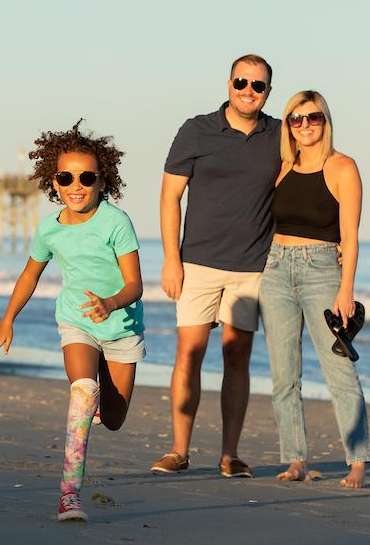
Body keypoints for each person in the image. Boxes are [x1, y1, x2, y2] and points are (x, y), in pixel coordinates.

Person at [0, 121, 144, 523]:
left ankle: (96, 407)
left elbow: (135, 285)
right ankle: (69, 494)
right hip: (77, 322)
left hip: (121, 327)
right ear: (52, 180)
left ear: (102, 180)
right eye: (66, 177)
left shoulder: (116, 222)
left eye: (86, 177)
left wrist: (110, 303)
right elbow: (29, 275)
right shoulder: (49, 229)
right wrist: (7, 321)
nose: (76, 185)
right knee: (83, 389)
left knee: (113, 420)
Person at [152, 54, 282, 478]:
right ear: (229, 84)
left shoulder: (280, 136)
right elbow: (170, 197)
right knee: (189, 353)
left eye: (258, 85)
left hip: (253, 266)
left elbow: (310, 181)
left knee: (237, 356)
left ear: (268, 91)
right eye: (242, 82)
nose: (249, 91)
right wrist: (171, 259)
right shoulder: (196, 130)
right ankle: (178, 450)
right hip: (198, 262)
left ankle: (230, 454)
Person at [258, 90, 370, 488]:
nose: (304, 125)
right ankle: (295, 460)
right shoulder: (281, 168)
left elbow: (350, 237)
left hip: (323, 271)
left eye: (313, 117)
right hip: (275, 269)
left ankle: (357, 460)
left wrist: (346, 288)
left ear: (325, 120)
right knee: (283, 374)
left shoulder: (343, 167)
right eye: (296, 118)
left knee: (340, 370)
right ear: (288, 125)